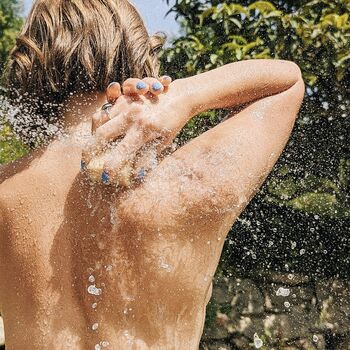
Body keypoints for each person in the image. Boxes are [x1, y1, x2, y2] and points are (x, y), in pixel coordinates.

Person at [0, 0, 304, 349]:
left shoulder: (5, 190)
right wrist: (184, 97)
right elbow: (287, 82)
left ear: (31, 61)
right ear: (137, 51)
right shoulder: (185, 182)